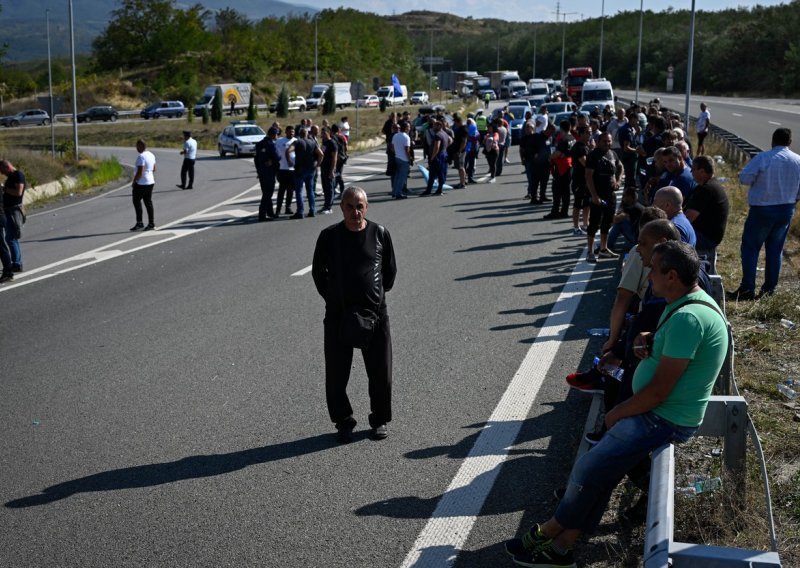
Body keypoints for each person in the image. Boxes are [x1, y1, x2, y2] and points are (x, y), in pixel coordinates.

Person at [506, 240, 728, 568]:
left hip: (663, 417)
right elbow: (681, 347)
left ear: (672, 276)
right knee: (601, 473)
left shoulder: (688, 318)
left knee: (587, 468)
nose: (648, 274)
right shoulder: (687, 303)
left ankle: (552, 529)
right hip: (661, 413)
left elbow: (659, 392)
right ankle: (563, 547)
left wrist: (618, 411)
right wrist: (649, 337)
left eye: (653, 269)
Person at [312, 187, 397, 443]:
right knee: (337, 374)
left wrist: (376, 296)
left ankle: (379, 418)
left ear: (367, 207)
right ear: (341, 208)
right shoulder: (329, 236)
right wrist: (334, 298)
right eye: (349, 206)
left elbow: (389, 273)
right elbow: (319, 274)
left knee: (381, 371)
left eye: (360, 206)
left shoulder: (379, 233)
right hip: (339, 316)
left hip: (375, 316)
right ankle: (343, 421)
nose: (355, 212)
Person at [728, 127, 800, 300]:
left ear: (772, 140)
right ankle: (769, 291)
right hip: (786, 209)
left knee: (751, 248)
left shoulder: (764, 158)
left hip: (763, 209)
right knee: (775, 251)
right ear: (789, 142)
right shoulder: (797, 160)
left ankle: (747, 289)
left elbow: (745, 178)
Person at [685, 155, 730, 271]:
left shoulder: (705, 189)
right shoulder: (714, 185)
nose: (691, 171)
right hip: (711, 236)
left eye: (693, 169)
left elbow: (688, 218)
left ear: (702, 171)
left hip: (706, 238)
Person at [585, 132, 622, 262]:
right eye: (604, 141)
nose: (607, 143)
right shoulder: (593, 156)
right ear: (599, 141)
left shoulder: (613, 154)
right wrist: (594, 196)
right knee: (594, 223)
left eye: (609, 141)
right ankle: (590, 251)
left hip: (610, 194)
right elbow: (588, 176)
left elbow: (620, 167)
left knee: (607, 222)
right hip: (597, 195)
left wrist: (618, 180)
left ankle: (603, 249)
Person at [289, 126, 323, 219]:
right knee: (310, 190)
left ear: (299, 134)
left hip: (300, 169)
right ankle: (312, 210)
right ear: (307, 134)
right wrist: (317, 165)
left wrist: (290, 162)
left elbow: (288, 151)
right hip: (311, 169)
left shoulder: (297, 142)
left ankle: (300, 212)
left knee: (299, 191)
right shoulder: (312, 142)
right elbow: (321, 154)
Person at [0, 159, 25, 275]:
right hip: (8, 210)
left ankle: (17, 263)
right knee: (11, 238)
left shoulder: (18, 175)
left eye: (2, 170)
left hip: (14, 210)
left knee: (11, 238)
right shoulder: (11, 177)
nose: (2, 173)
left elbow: (18, 192)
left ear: (7, 167)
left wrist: (5, 189)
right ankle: (17, 263)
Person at [545, 120, 573, 220]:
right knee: (566, 191)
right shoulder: (572, 139)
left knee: (556, 190)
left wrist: (550, 157)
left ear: (561, 128)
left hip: (562, 167)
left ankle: (555, 211)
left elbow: (557, 153)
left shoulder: (564, 140)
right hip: (569, 167)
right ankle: (564, 211)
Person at [254, 127, 281, 221]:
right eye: (277, 134)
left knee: (266, 193)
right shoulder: (271, 144)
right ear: (273, 135)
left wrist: (258, 170)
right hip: (269, 172)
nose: (277, 136)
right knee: (268, 194)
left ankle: (270, 212)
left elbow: (256, 159)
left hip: (262, 172)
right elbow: (278, 156)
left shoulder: (259, 144)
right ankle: (262, 215)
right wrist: (273, 161)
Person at [130, 139, 156, 231]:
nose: (136, 148)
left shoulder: (141, 156)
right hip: (150, 181)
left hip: (142, 182)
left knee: (136, 201)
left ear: (141, 146)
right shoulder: (151, 155)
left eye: (137, 146)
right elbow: (154, 169)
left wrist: (134, 182)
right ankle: (151, 223)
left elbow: (140, 172)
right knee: (148, 202)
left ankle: (139, 222)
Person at [275, 125, 296, 217]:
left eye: (293, 132)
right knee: (281, 190)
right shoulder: (279, 141)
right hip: (282, 169)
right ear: (286, 132)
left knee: (290, 190)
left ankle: (288, 207)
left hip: (292, 170)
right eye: (290, 131)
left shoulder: (296, 141)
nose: (291, 133)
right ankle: (278, 210)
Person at [318, 127, 339, 214]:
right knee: (325, 187)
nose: (322, 135)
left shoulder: (332, 143)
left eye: (324, 133)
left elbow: (334, 158)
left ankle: (329, 207)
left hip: (329, 168)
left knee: (330, 188)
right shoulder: (324, 142)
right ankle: (326, 205)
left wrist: (332, 170)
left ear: (329, 133)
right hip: (323, 168)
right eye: (322, 134)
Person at [391, 121, 412, 200]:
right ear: (406, 128)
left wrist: (397, 152)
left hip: (397, 158)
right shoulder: (406, 137)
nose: (409, 128)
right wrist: (409, 159)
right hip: (404, 159)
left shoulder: (395, 135)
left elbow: (392, 147)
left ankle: (394, 191)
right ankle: (398, 193)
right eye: (409, 127)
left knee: (396, 177)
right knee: (402, 178)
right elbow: (407, 150)